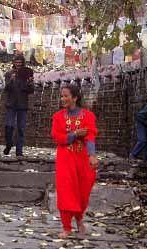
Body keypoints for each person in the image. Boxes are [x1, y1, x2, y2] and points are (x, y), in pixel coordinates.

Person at [51, 84, 98, 239]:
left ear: (75, 98)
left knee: (82, 191)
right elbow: (58, 137)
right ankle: (66, 226)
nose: (63, 99)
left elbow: (90, 136)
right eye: (62, 96)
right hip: (65, 159)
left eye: (66, 96)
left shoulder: (88, 116)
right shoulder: (58, 117)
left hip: (83, 158)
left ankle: (79, 219)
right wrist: (75, 134)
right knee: (65, 191)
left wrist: (92, 155)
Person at [3, 54, 34, 157]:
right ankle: (8, 144)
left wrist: (29, 83)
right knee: (9, 126)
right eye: (17, 63)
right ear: (14, 63)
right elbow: (6, 89)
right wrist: (11, 80)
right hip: (11, 104)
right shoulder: (8, 73)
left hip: (22, 104)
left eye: (20, 63)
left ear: (23, 63)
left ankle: (19, 151)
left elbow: (31, 90)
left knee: (21, 128)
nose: (18, 65)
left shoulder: (27, 73)